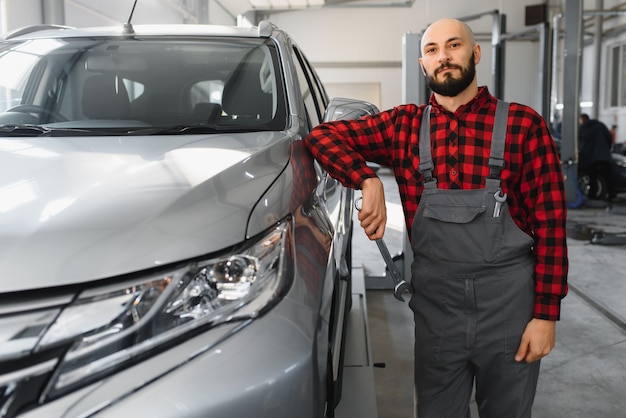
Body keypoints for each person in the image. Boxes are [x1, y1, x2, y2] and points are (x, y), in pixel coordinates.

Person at [304, 18, 568, 417]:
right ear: (423, 64)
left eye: (454, 45)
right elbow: (321, 137)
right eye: (432, 50)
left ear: (475, 54)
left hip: (509, 307)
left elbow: (551, 225)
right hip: (438, 308)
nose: (443, 57)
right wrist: (367, 179)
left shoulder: (523, 126)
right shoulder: (404, 126)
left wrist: (545, 315)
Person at [578, 113, 615, 200]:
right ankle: (612, 196)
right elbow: (609, 138)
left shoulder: (582, 128)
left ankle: (592, 196)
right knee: (608, 176)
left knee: (592, 177)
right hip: (604, 156)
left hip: (590, 157)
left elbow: (580, 143)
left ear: (582, 120)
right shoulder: (600, 125)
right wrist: (606, 149)